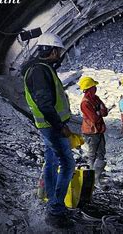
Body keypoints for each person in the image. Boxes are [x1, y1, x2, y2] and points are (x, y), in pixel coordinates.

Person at [23, 33, 75, 228]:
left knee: (51, 162)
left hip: (48, 126)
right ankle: (55, 209)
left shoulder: (40, 69)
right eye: (59, 51)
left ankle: (49, 197)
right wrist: (60, 126)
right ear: (52, 51)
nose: (60, 54)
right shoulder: (40, 71)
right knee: (67, 164)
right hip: (52, 127)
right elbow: (45, 104)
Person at [78, 76, 108, 185]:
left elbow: (105, 111)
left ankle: (96, 178)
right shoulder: (85, 103)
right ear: (89, 88)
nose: (95, 88)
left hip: (98, 130)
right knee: (92, 155)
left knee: (101, 154)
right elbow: (94, 118)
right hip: (91, 132)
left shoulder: (95, 98)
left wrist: (99, 112)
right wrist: (99, 111)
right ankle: (89, 179)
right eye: (94, 86)